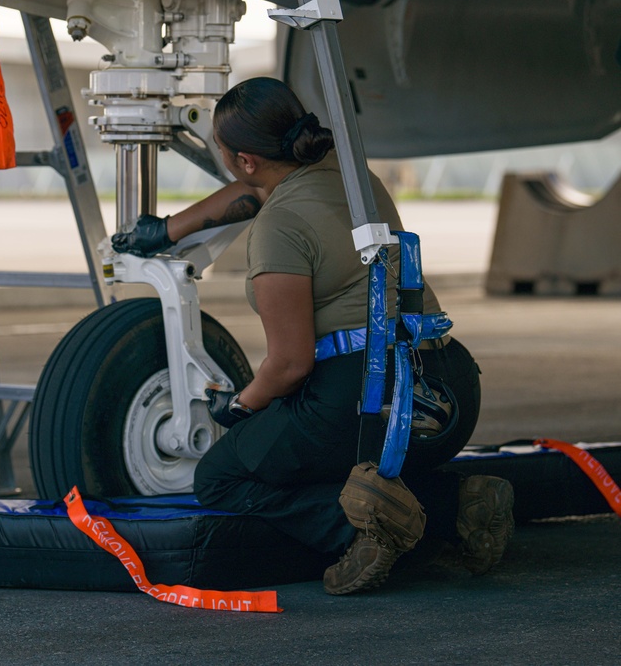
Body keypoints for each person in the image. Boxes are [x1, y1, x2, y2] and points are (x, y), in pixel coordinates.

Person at [112, 77, 513, 594]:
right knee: (302, 447)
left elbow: (291, 363)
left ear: (246, 159)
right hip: (446, 390)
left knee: (223, 476)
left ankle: (370, 529)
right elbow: (252, 190)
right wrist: (167, 230)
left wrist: (239, 408)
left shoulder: (279, 230)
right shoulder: (352, 177)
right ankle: (462, 503)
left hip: (367, 402)